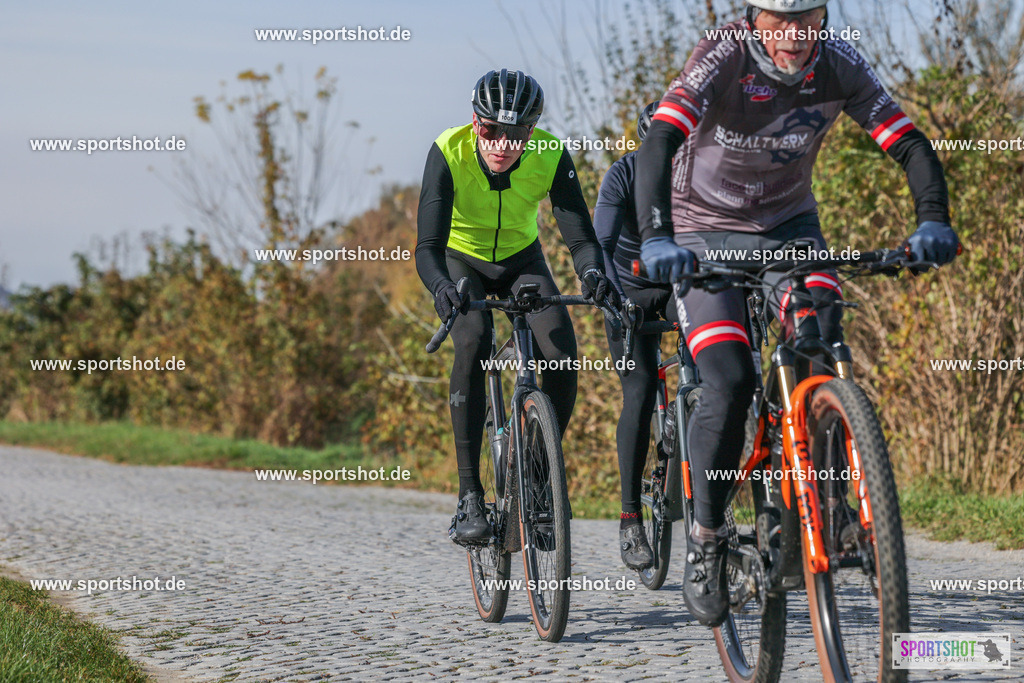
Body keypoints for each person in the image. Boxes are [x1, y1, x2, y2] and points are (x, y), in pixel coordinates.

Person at [635, 0, 959, 626]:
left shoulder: (838, 63)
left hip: (789, 228)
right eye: (779, 20)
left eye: (807, 18)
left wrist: (932, 220)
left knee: (822, 331)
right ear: (753, 18)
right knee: (727, 380)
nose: (794, 34)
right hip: (703, 231)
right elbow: (659, 141)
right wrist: (656, 236)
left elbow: (908, 143)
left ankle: (830, 502)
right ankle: (705, 540)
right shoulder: (721, 54)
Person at [415, 68, 618, 544]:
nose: (502, 144)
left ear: (533, 130)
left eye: (517, 132)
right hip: (460, 259)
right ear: (474, 122)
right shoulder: (448, 150)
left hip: (521, 261)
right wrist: (443, 288)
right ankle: (469, 495)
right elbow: (426, 247)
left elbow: (580, 237)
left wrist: (592, 274)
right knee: (474, 339)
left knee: (562, 353)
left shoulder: (549, 154)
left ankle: (539, 479)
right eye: (490, 130)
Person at [594, 101, 677, 570]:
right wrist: (611, 296)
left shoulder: (694, 178)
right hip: (628, 291)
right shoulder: (622, 175)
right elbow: (601, 244)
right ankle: (630, 519)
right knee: (641, 390)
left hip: (675, 288)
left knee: (714, 367)